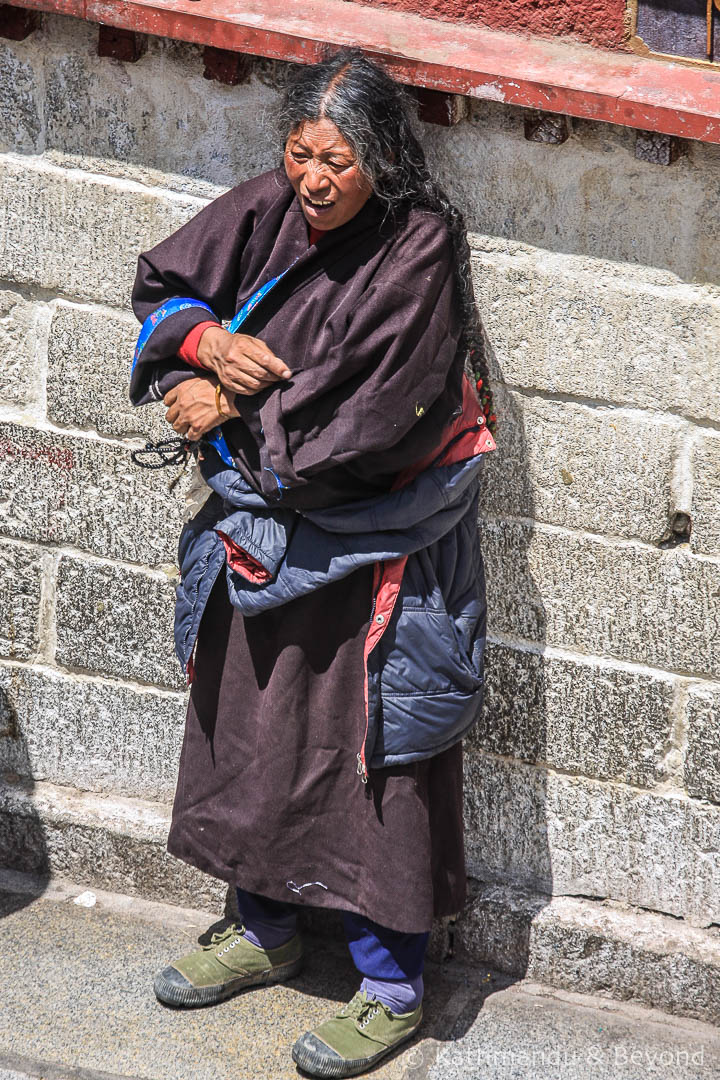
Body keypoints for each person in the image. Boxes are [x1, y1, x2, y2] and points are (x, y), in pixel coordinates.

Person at [129, 49, 495, 1079]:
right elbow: (164, 283)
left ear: (380, 157)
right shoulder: (268, 211)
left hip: (373, 535)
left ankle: (390, 986)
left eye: (337, 160)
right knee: (250, 734)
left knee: (372, 757)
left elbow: (382, 409)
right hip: (265, 530)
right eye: (301, 155)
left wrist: (233, 406)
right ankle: (262, 927)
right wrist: (200, 347)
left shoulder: (420, 247)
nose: (315, 180)